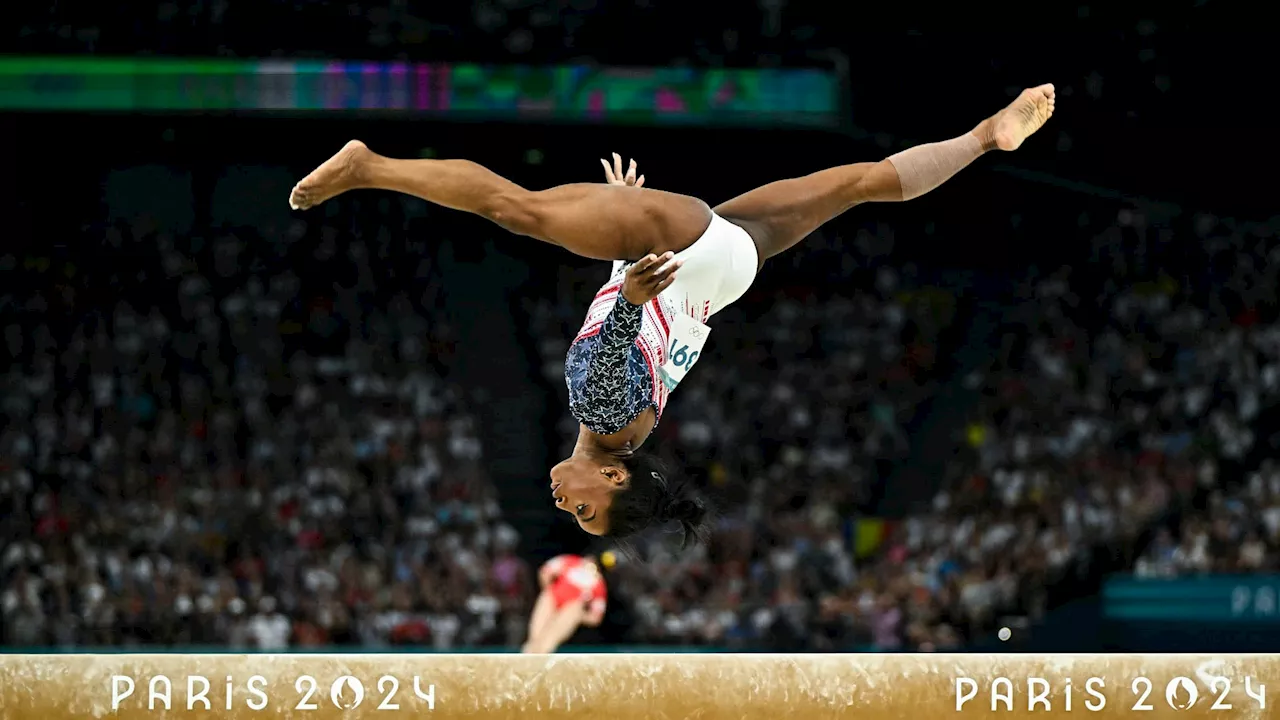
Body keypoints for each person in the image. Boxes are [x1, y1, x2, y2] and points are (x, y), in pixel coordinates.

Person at [289, 84, 1057, 545]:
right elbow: (618, 341)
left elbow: (637, 338)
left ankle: (984, 136)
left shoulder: (635, 428)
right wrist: (628, 273)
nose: (569, 508)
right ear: (616, 478)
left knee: (857, 185)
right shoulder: (600, 418)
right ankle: (370, 167)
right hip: (679, 250)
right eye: (589, 515)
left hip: (724, 273)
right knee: (515, 209)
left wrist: (623, 243)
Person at [522, 554, 607, 654]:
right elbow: (545, 572)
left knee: (548, 642)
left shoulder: (599, 586)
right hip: (552, 599)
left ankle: (540, 660)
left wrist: (578, 615)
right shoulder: (569, 561)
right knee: (535, 638)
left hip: (571, 609)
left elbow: (595, 618)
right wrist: (548, 589)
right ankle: (525, 661)